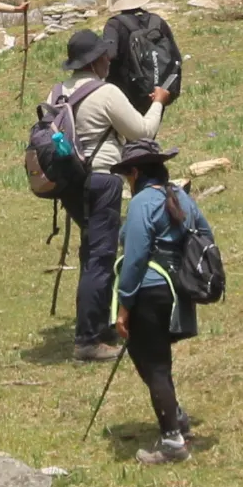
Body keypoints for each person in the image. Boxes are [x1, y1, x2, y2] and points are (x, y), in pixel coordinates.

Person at [50, 26, 162, 360]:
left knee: (92, 251)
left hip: (69, 182)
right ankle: (88, 340)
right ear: (97, 60)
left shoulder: (56, 92)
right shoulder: (106, 92)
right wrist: (157, 103)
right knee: (100, 257)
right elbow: (142, 131)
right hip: (102, 179)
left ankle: (99, 321)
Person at [113, 147, 212, 463]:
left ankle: (172, 443)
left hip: (149, 291)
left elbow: (135, 258)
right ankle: (177, 419)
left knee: (155, 365)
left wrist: (124, 305)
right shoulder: (181, 198)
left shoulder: (142, 202)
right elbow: (205, 236)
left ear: (136, 173)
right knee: (150, 358)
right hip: (176, 292)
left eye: (127, 174)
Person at [97, 0, 181, 124]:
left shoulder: (114, 25)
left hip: (126, 94)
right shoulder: (157, 22)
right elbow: (175, 57)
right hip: (156, 93)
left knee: (127, 142)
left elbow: (109, 55)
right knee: (147, 138)